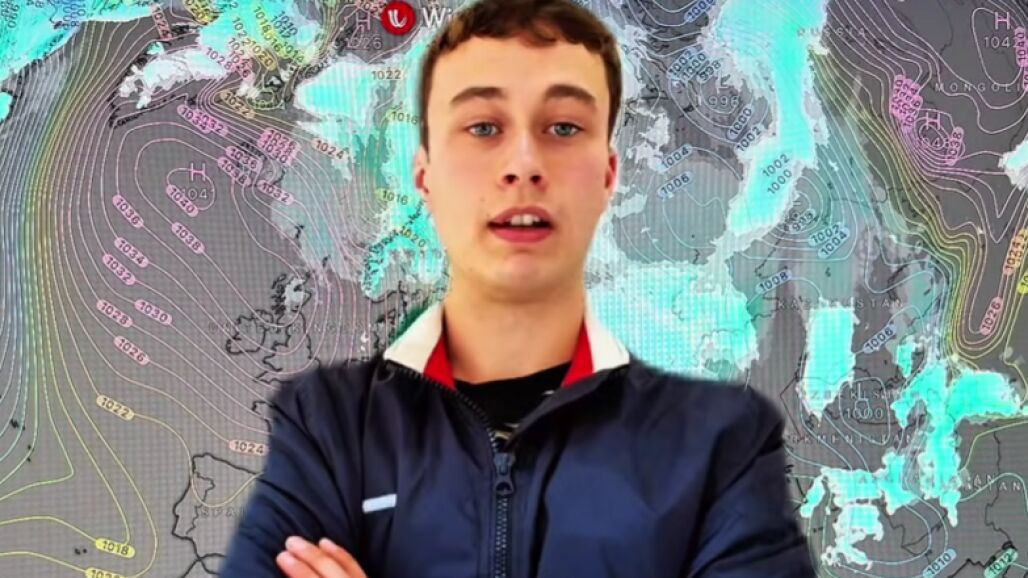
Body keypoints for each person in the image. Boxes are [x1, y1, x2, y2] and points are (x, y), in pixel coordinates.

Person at [220, 0, 818, 576]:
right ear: (425, 175)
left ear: (607, 175)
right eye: (483, 127)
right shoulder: (328, 425)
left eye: (563, 127)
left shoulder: (720, 446)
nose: (524, 164)